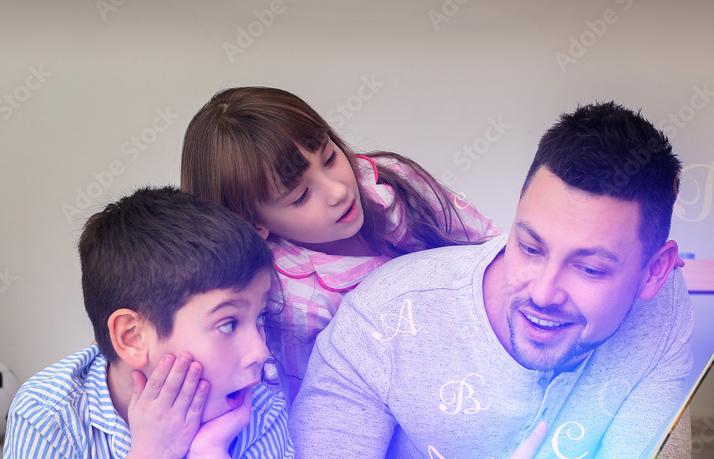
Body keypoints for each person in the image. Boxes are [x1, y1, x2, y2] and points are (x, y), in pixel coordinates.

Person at [289, 102, 694, 459]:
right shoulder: (387, 312)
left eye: (591, 267)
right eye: (529, 246)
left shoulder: (663, 308)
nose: (543, 293)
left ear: (654, 272)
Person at [2, 187, 298, 459]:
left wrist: (210, 457)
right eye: (229, 323)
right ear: (132, 337)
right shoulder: (48, 411)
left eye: (260, 318)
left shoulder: (259, 409)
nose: (260, 352)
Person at [180, 86, 500, 404]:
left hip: (488, 356)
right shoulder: (292, 304)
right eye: (301, 195)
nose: (337, 191)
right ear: (253, 223)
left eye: (330, 158)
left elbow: (488, 251)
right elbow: (320, 410)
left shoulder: (392, 182)